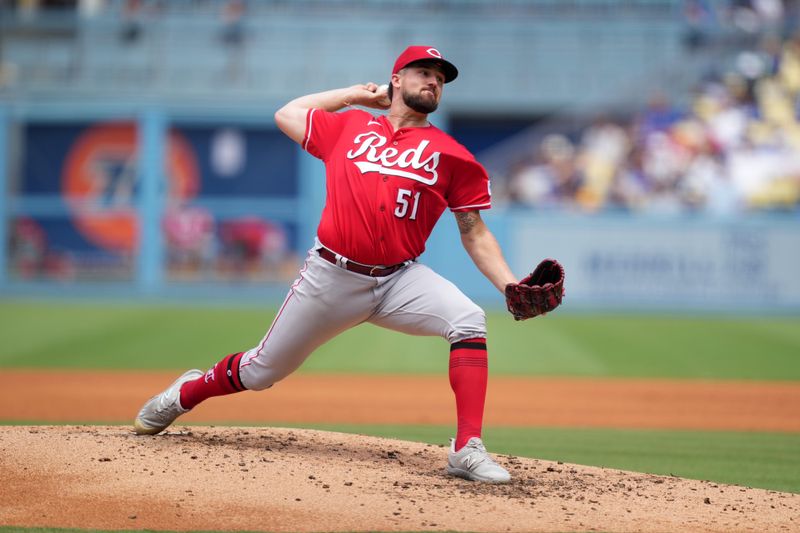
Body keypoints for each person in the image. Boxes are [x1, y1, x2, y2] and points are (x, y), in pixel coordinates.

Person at [134, 45, 521, 483]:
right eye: (422, 71)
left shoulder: (453, 155)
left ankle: (466, 448)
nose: (433, 80)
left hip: (400, 279)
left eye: (440, 77)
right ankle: (186, 392)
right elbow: (287, 113)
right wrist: (353, 96)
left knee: (469, 319)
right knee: (260, 371)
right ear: (396, 79)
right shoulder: (351, 128)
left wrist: (508, 285)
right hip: (332, 275)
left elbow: (473, 230)